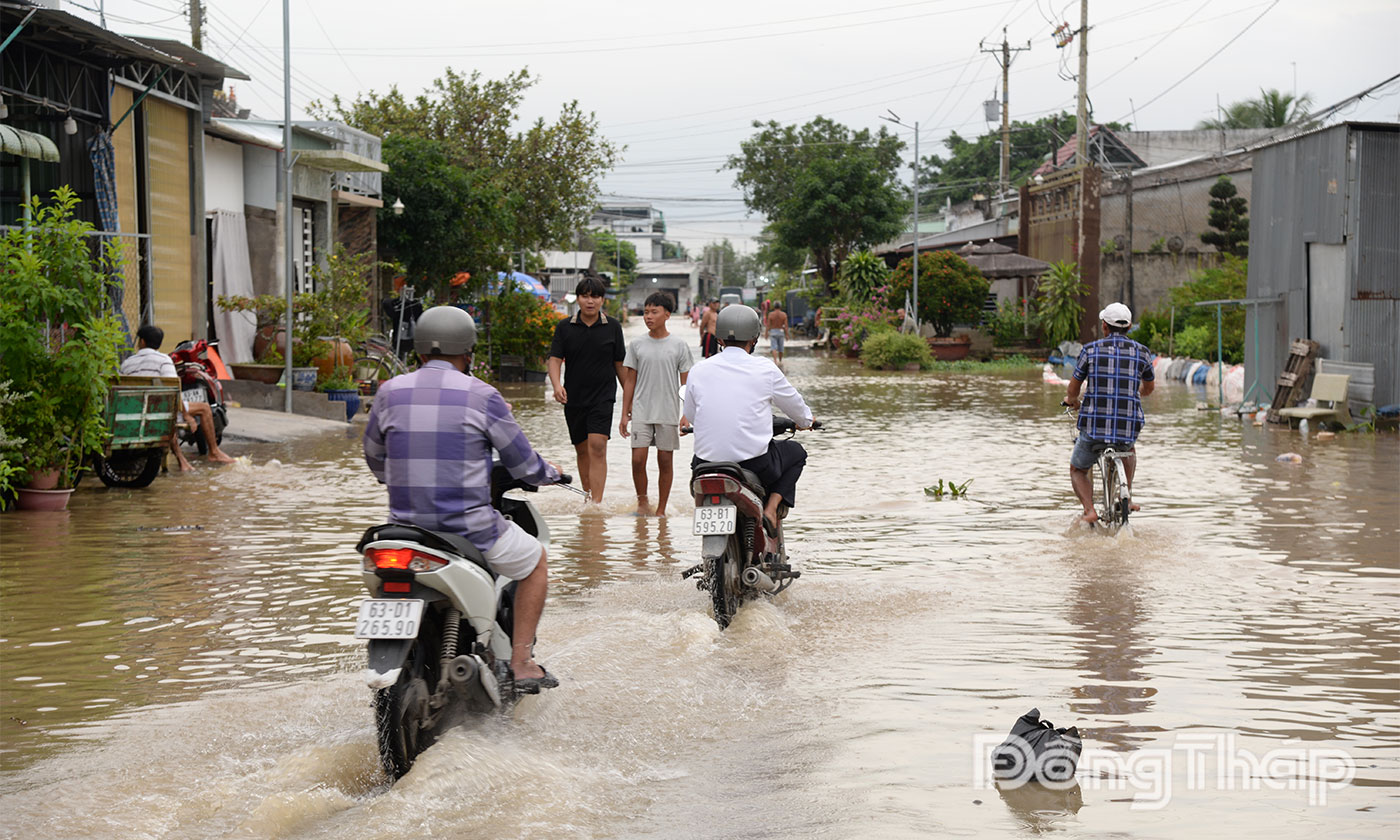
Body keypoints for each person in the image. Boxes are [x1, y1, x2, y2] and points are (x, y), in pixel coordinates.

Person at [364, 306, 561, 690]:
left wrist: (396, 478)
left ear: (419, 349)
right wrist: (550, 473)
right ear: (468, 351)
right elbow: (523, 463)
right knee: (535, 560)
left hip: (403, 533)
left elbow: (374, 456)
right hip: (469, 530)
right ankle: (522, 663)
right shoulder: (483, 395)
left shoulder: (389, 392)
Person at [683, 305, 815, 536]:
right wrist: (806, 421)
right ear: (754, 339)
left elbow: (693, 416)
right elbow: (796, 406)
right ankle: (771, 510)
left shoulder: (699, 369)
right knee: (796, 452)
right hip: (755, 465)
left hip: (704, 465)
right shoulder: (765, 368)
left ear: (719, 338)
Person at [1064, 302, 1155, 524]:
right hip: (1128, 427)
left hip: (1094, 428)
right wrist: (1136, 392)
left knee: (1077, 469)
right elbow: (1149, 388)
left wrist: (1072, 401)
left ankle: (1089, 511)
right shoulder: (1143, 352)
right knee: (1128, 449)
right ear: (1129, 326)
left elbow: (1074, 388)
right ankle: (1127, 496)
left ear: (1104, 326)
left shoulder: (1090, 350)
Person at [547, 277, 626, 504]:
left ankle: (597, 504)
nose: (590, 301)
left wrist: (631, 398)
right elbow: (554, 359)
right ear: (578, 299)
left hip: (603, 396)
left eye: (595, 296)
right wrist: (557, 385)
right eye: (585, 296)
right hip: (573, 397)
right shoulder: (565, 327)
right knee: (582, 450)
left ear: (602, 300)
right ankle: (588, 496)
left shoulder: (613, 327)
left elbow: (620, 364)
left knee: (598, 447)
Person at [120, 325, 236, 469]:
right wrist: (186, 415)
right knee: (204, 408)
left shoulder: (127, 363)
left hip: (135, 410)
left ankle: (183, 460)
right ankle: (214, 452)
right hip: (160, 410)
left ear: (142, 342)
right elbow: (174, 390)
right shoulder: (164, 360)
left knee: (167, 412)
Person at [619, 292, 693, 517]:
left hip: (668, 411)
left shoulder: (679, 345)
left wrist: (686, 414)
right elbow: (629, 380)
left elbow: (686, 383)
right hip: (641, 410)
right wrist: (624, 412)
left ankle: (661, 509)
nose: (648, 317)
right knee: (637, 459)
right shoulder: (637, 344)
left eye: (654, 312)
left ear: (667, 315)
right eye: (645, 312)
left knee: (665, 460)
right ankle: (643, 503)